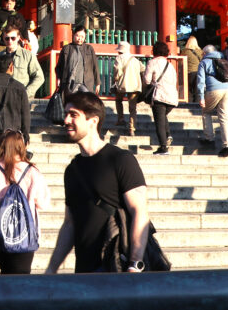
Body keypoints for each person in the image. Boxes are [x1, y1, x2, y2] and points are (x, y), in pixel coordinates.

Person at [45, 91, 151, 274]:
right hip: (84, 270)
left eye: (73, 115)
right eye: (66, 114)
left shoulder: (120, 159)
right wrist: (51, 269)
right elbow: (70, 224)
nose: (66, 120)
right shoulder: (72, 169)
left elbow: (139, 212)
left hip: (115, 267)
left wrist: (135, 263)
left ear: (93, 120)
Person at [0, 128, 51, 274]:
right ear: (21, 147)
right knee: (22, 277)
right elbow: (43, 202)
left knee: (6, 272)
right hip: (25, 234)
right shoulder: (32, 172)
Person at [196, 44, 228, 157]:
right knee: (224, 117)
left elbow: (200, 81)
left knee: (206, 111)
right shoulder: (223, 60)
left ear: (205, 53)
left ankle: (209, 139)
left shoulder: (204, 62)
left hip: (213, 90)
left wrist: (201, 97)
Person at [143, 41, 178, 155]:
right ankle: (168, 135)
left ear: (154, 51)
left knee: (159, 122)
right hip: (172, 97)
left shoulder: (152, 62)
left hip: (159, 95)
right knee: (162, 117)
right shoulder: (170, 65)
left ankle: (163, 147)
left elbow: (147, 80)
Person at [0, 27, 45, 99]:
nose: (10, 41)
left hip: (22, 99)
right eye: (7, 38)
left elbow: (39, 77)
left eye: (13, 38)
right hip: (3, 99)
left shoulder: (28, 55)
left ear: (18, 38)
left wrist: (26, 93)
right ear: (3, 39)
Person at [56, 25, 101, 96]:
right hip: (69, 83)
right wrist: (58, 78)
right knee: (70, 101)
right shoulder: (66, 48)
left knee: (87, 100)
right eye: (77, 36)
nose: (80, 39)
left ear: (85, 37)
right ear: (73, 35)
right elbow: (59, 66)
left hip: (86, 83)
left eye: (82, 37)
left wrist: (98, 83)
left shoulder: (89, 49)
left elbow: (95, 67)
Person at [113, 40, 143, 135]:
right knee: (132, 107)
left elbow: (117, 70)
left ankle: (120, 118)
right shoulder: (135, 59)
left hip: (123, 84)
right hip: (134, 85)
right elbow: (143, 69)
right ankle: (132, 128)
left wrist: (115, 79)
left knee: (118, 100)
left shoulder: (119, 58)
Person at [183, 35, 201, 102]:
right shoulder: (200, 51)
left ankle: (190, 104)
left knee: (189, 90)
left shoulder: (185, 51)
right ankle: (197, 104)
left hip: (189, 73)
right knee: (197, 90)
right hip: (198, 72)